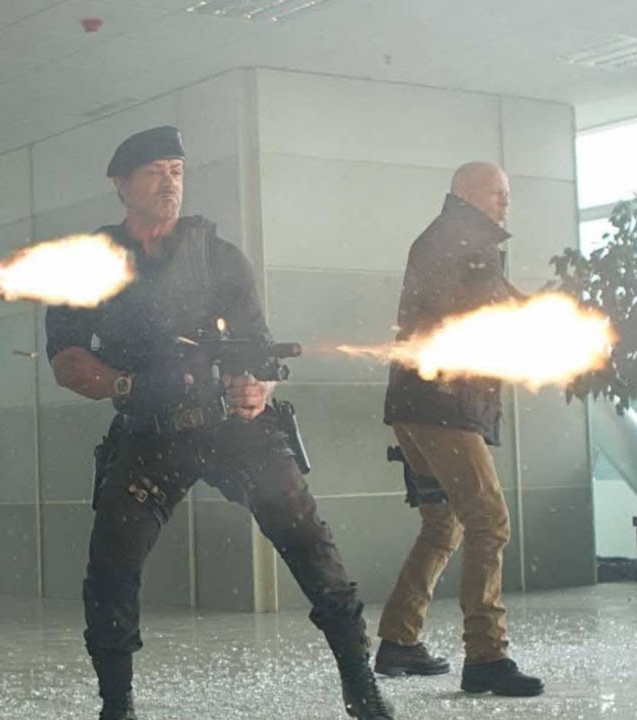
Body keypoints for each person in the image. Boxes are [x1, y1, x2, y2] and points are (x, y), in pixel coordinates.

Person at [45, 126, 394, 720]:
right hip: (150, 430)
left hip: (235, 429)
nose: (169, 183)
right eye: (155, 171)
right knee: (111, 567)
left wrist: (258, 389)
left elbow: (262, 351)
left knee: (310, 542)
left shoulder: (218, 256)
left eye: (177, 171)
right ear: (121, 185)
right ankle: (116, 706)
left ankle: (361, 686)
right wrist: (127, 386)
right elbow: (66, 361)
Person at [376, 162, 544, 697]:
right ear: (467, 193)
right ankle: (486, 656)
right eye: (498, 192)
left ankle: (399, 639)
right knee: (488, 520)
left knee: (442, 523)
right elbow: (477, 310)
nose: (505, 202)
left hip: (416, 404)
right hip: (441, 406)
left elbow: (491, 301)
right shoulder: (462, 239)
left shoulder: (450, 238)